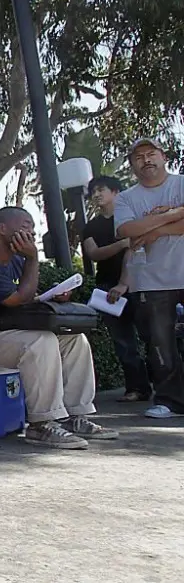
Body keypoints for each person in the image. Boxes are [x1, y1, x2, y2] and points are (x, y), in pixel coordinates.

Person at [0, 207, 118, 449]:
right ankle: (41, 424)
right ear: (2, 228)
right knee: (41, 341)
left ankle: (74, 416)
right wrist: (33, 258)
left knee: (74, 340)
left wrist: (54, 295)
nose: (32, 230)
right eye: (26, 225)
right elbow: (15, 300)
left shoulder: (17, 261)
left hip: (9, 335)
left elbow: (31, 296)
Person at [113, 138, 184, 419]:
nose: (146, 160)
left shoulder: (180, 183)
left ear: (163, 156)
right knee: (160, 343)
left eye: (151, 153)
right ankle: (169, 401)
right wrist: (174, 214)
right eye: (139, 156)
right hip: (153, 280)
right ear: (132, 165)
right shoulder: (127, 197)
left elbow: (141, 229)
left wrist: (156, 230)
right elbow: (125, 229)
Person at [81, 176, 150, 402]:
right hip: (106, 287)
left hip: (140, 284)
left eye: (101, 190)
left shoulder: (131, 217)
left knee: (153, 337)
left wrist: (124, 283)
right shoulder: (91, 226)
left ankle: (167, 390)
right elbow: (94, 254)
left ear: (116, 191)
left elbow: (136, 250)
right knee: (123, 342)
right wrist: (121, 244)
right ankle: (136, 388)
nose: (97, 195)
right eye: (93, 192)